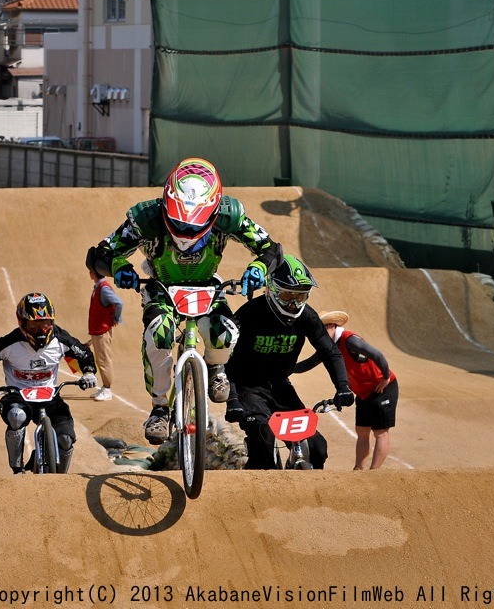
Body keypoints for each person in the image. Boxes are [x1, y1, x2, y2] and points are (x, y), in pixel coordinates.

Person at [87, 157, 283, 443]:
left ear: (214, 211)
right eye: (178, 223)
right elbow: (100, 253)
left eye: (194, 226)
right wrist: (120, 268)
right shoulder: (145, 218)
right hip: (160, 286)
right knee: (159, 334)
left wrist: (259, 268)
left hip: (207, 285)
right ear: (166, 204)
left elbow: (270, 247)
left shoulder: (231, 215)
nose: (185, 233)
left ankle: (216, 367)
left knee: (225, 333)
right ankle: (159, 408)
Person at [224, 255, 354, 469]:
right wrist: (232, 399)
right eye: (287, 296)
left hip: (280, 387)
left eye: (301, 297)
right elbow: (223, 357)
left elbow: (330, 352)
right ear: (272, 290)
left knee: (317, 448)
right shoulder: (249, 314)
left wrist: (343, 387)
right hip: (247, 387)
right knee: (263, 438)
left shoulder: (307, 317)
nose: (294, 304)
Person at [0, 293, 97, 474]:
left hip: (50, 396)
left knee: (65, 439)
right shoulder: (10, 342)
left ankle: (62, 479)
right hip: (17, 395)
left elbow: (84, 354)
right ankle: (18, 470)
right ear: (22, 323)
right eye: (35, 325)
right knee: (16, 416)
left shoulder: (61, 338)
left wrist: (88, 372)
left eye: (46, 324)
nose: (41, 330)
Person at [294, 310, 399, 470]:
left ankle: (374, 473)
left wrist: (385, 377)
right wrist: (282, 367)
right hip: (364, 394)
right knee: (362, 431)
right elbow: (306, 365)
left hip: (383, 388)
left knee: (380, 432)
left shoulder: (349, 340)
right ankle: (359, 469)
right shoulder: (327, 347)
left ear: (332, 326)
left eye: (322, 329)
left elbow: (377, 354)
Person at [85, 247, 123, 402]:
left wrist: (116, 319)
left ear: (93, 273)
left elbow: (118, 302)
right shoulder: (99, 287)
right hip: (97, 331)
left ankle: (107, 388)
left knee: (104, 360)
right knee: (100, 359)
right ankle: (104, 387)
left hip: (102, 331)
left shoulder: (103, 288)